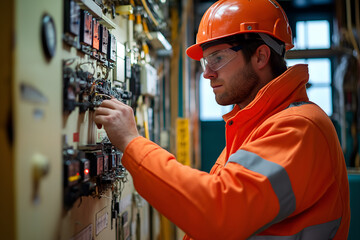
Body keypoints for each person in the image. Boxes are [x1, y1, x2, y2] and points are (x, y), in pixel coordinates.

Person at [94, 0, 350, 239]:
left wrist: (131, 142)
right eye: (206, 61)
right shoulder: (255, 124)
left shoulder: (300, 127)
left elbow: (218, 211)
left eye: (217, 58)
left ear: (261, 56)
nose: (207, 73)